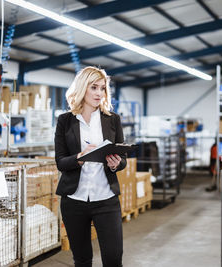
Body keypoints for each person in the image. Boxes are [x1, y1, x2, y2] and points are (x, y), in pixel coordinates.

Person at [55, 66, 126, 267]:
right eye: (93, 87)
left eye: (102, 88)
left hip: (106, 200)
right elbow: (60, 161)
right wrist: (80, 157)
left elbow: (122, 160)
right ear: (82, 88)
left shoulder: (112, 120)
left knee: (113, 259)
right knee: (82, 260)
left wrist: (115, 164)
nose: (98, 93)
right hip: (74, 201)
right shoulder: (65, 121)